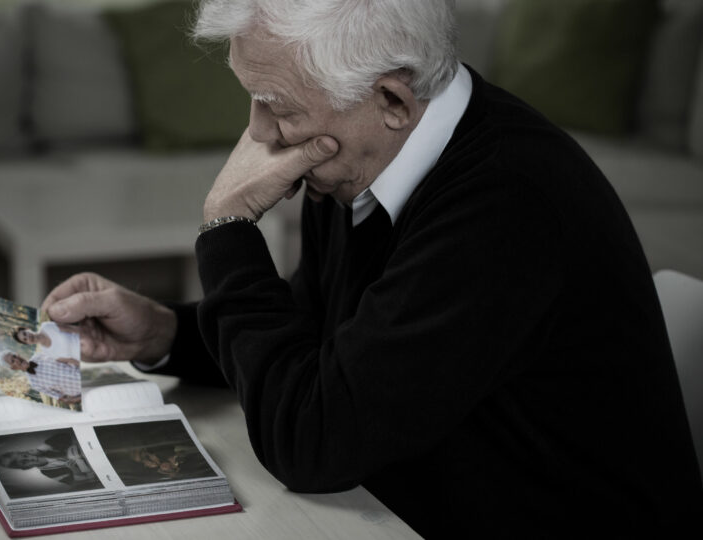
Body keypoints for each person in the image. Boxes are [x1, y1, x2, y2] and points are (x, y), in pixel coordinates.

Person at [40, 0, 703, 536]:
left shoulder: (508, 204)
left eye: (278, 104)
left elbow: (313, 444)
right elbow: (316, 338)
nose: (261, 136)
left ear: (392, 98)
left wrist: (227, 230)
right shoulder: (361, 155)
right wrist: (166, 334)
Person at [0, 432, 100, 489]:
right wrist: (74, 470)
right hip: (95, 466)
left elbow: (67, 435)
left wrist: (41, 449)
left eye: (25, 455)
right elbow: (75, 482)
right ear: (25, 468)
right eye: (24, 462)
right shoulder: (49, 472)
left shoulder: (47, 447)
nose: (30, 458)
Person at [0, 350, 82, 405]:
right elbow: (64, 399)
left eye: (14, 356)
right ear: (13, 368)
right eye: (13, 361)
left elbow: (70, 358)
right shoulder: (34, 384)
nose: (17, 359)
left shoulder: (41, 355)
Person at [12, 321, 80, 360]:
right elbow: (73, 361)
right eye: (25, 339)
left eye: (25, 333)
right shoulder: (47, 353)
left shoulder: (47, 326)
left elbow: (74, 329)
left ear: (28, 329)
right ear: (28, 343)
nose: (28, 337)